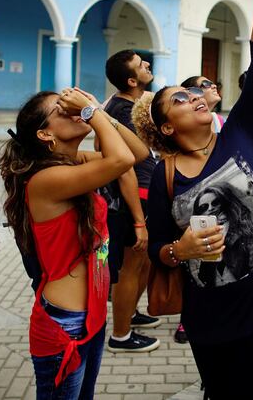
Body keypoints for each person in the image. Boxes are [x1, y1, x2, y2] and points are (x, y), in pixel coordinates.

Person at [133, 0, 253, 399]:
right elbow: (157, 248)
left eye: (194, 93)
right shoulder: (165, 177)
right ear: (167, 127)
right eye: (181, 100)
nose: (196, 97)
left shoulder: (243, 131)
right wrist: (179, 251)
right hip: (214, 321)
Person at [0, 88, 148, 399]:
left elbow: (137, 155)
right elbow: (120, 159)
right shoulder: (46, 180)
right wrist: (92, 114)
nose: (71, 108)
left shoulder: (73, 161)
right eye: (60, 109)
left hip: (90, 316)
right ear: (45, 134)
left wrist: (97, 111)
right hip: (66, 324)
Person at [103, 50, 162, 352]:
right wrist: (138, 218)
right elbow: (124, 164)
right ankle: (121, 335)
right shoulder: (121, 110)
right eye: (141, 65)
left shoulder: (127, 106)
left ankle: (131, 314)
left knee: (144, 263)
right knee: (130, 266)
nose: (147, 65)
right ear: (130, 79)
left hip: (144, 192)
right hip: (133, 196)